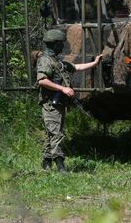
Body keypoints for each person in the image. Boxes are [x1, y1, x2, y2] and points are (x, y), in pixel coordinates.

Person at [35, 29, 102, 172]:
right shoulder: (45, 60)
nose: (62, 46)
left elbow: (75, 67)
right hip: (50, 103)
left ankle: (46, 163)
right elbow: (42, 81)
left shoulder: (57, 61)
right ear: (54, 44)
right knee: (56, 134)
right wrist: (63, 89)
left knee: (51, 132)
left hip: (59, 103)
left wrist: (95, 63)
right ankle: (60, 165)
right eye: (60, 44)